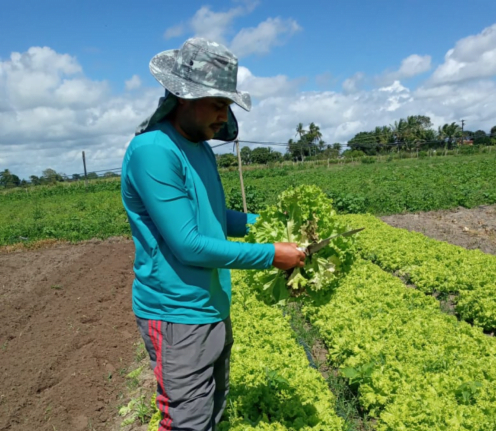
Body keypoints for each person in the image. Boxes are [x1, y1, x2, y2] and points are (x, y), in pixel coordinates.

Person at [121, 37, 305, 431]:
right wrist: (272, 253)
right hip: (176, 314)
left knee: (211, 411)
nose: (224, 116)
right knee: (187, 420)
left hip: (211, 306)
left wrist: (268, 223)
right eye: (219, 104)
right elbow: (189, 244)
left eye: (227, 106)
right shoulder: (154, 150)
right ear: (184, 98)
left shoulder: (199, 148)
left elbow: (213, 217)